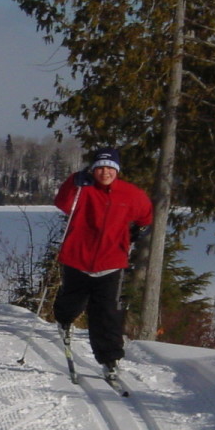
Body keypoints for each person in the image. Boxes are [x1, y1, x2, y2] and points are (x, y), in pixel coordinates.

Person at [52, 147, 153, 376]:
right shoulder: (82, 189)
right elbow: (63, 203)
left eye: (109, 168)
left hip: (111, 262)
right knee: (72, 300)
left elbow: (146, 214)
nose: (104, 172)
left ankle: (110, 358)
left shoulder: (131, 194)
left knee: (106, 312)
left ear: (116, 170)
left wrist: (140, 230)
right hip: (78, 257)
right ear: (93, 170)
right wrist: (73, 182)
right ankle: (64, 321)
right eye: (100, 168)